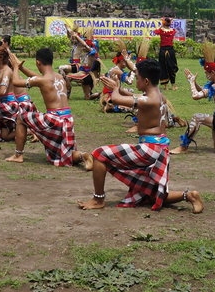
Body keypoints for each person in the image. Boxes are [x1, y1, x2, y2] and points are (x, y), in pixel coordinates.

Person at [77, 59, 204, 212]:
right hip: (159, 149)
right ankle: (189, 196)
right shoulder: (158, 95)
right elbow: (132, 95)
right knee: (151, 193)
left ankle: (98, 199)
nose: (135, 80)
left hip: (150, 150)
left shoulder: (149, 100)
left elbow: (117, 99)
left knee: (98, 154)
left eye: (137, 77)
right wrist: (119, 88)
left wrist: (115, 89)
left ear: (146, 80)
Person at [7, 48, 83, 166]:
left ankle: (18, 155)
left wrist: (15, 67)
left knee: (21, 117)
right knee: (65, 153)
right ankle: (84, 156)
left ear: (38, 62)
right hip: (68, 120)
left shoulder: (42, 80)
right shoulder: (58, 77)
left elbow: (16, 82)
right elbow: (37, 78)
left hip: (54, 120)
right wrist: (21, 67)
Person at [153, 16, 179, 90]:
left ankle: (166, 86)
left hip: (164, 50)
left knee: (163, 66)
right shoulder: (172, 31)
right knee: (171, 66)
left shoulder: (161, 30)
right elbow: (173, 30)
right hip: (169, 50)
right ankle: (172, 85)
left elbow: (155, 31)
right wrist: (167, 22)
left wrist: (162, 24)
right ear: (170, 23)